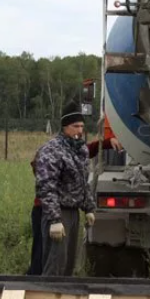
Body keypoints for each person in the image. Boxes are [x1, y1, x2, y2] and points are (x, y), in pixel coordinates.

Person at [27, 100, 107, 276]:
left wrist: (88, 207)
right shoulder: (52, 150)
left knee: (68, 264)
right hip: (56, 211)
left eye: (82, 126)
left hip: (72, 211)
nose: (80, 131)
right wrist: (55, 219)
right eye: (75, 126)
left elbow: (82, 182)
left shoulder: (80, 150)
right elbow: (46, 186)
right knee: (55, 263)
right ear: (65, 127)